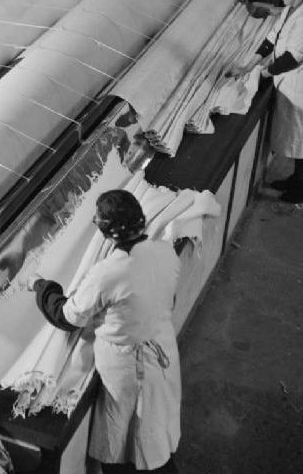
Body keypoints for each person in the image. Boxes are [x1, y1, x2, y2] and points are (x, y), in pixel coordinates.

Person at [30, 190, 181, 474]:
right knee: (155, 434)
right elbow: (166, 299)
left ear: (106, 232)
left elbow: (67, 317)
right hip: (163, 352)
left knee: (125, 446)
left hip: (128, 369)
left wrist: (40, 286)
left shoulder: (108, 272)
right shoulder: (166, 251)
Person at [227, 0, 303, 203]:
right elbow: (271, 39)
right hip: (289, 81)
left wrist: (264, 73)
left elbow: (293, 57)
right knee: (298, 138)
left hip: (301, 84)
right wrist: (248, 66)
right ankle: (299, 180)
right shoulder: (291, 10)